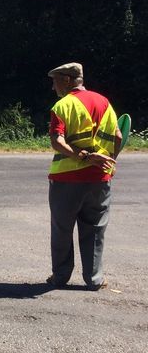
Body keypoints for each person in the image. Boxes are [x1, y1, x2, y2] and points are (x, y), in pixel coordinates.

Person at [46, 62, 122, 291]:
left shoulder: (63, 105)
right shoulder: (104, 102)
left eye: (55, 80)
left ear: (68, 80)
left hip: (67, 180)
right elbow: (118, 135)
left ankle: (60, 277)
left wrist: (83, 156)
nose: (53, 87)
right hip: (99, 180)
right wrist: (110, 160)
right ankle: (94, 279)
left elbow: (56, 140)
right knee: (95, 228)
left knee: (62, 228)